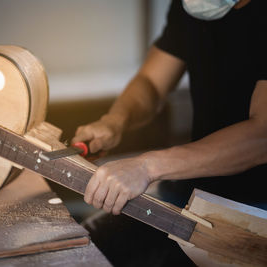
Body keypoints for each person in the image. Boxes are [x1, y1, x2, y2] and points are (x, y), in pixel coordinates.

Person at [73, 0, 266, 264]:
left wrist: (146, 167)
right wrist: (114, 121)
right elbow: (151, 82)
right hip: (192, 190)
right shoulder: (197, 5)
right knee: (85, 247)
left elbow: (261, 137)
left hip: (255, 210)